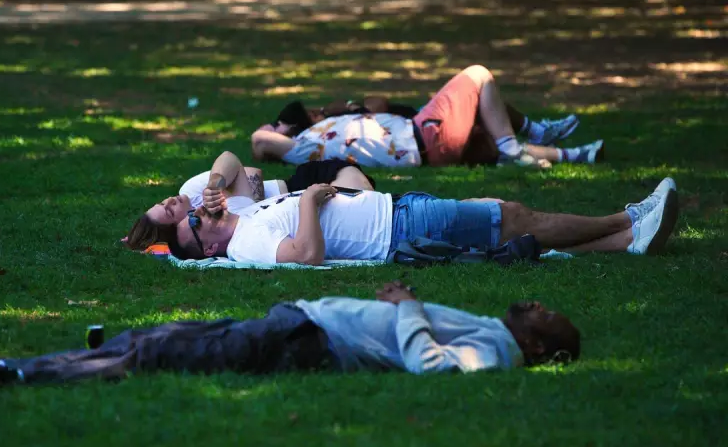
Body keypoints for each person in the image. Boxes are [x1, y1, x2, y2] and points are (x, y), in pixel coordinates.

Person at [0, 281, 580, 390]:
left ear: (543, 350)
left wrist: (408, 307)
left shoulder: (496, 353)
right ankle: (31, 363)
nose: (543, 306)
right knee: (155, 335)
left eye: (553, 318)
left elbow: (434, 370)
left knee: (159, 352)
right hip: (298, 321)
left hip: (310, 343)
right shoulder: (495, 331)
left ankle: (11, 373)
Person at [172, 177, 679, 264]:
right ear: (209, 250)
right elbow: (306, 256)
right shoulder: (245, 248)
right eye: (193, 226)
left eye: (192, 213)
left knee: (504, 216)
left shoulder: (239, 220)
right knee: (517, 218)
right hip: (403, 229)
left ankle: (627, 241)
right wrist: (312, 200)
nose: (198, 215)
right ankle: (627, 218)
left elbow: (238, 168)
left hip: (402, 213)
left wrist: (213, 194)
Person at [250, 65, 604, 169]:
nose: (272, 125)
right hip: (425, 135)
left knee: (486, 134)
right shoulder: (304, 148)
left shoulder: (322, 132)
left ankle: (574, 154)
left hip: (429, 146)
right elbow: (259, 139)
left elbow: (377, 101)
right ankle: (527, 138)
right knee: (478, 75)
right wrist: (272, 132)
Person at [125, 150, 376, 251]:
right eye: (169, 211)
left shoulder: (196, 193)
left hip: (303, 183)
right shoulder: (222, 231)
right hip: (304, 206)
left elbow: (247, 169)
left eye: (162, 202)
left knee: (364, 200)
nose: (169, 200)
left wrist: (217, 186)